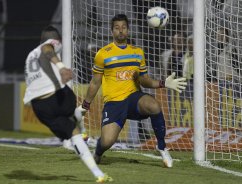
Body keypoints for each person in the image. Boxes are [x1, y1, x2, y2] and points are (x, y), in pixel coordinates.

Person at [78, 14, 187, 168]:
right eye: (117, 28)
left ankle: (162, 147)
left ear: (128, 30)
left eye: (123, 27)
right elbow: (95, 82)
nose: (120, 31)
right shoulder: (103, 53)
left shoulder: (137, 52)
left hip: (133, 98)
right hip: (114, 102)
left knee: (154, 105)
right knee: (107, 141)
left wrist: (163, 83)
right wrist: (85, 105)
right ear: (112, 31)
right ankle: (98, 153)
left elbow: (144, 80)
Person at [23, 25, 112, 183]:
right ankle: (83, 131)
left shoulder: (30, 55)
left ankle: (98, 174)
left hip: (39, 107)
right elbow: (47, 49)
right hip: (56, 97)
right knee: (74, 106)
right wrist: (62, 67)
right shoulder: (49, 44)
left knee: (73, 133)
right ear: (56, 39)